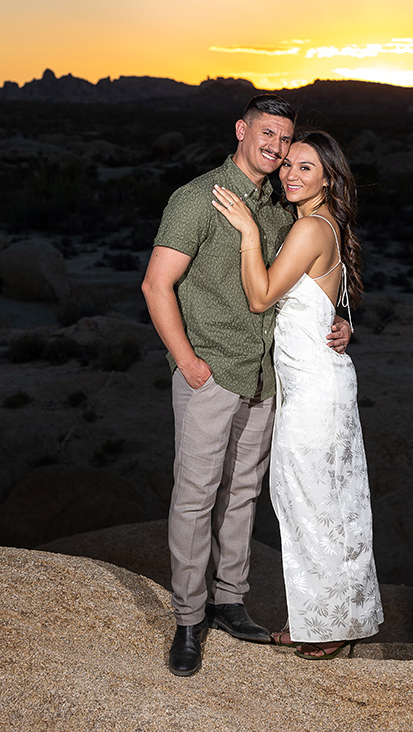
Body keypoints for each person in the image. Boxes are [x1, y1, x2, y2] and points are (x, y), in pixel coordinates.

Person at [141, 96, 351, 677]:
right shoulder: (197, 198)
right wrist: (188, 363)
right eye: (267, 134)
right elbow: (156, 285)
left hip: (266, 375)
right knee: (196, 493)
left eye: (286, 140)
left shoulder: (284, 205)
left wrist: (341, 318)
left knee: (241, 493)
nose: (277, 149)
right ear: (242, 130)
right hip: (212, 370)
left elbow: (315, 275)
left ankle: (229, 600)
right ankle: (189, 618)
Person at [212, 129, 383, 659]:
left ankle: (328, 626)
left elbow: (262, 297)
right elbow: (328, 297)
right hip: (316, 383)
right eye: (288, 165)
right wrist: (344, 321)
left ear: (327, 176)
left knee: (311, 504)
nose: (290, 174)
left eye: (305, 167)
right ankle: (332, 618)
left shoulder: (310, 226)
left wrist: (245, 232)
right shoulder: (323, 222)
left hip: (313, 391)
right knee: (325, 504)